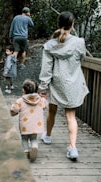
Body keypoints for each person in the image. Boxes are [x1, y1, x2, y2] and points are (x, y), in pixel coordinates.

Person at [38, 11, 89, 161]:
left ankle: (47, 136)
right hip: (72, 82)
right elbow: (82, 58)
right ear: (72, 25)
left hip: (56, 82)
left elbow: (46, 68)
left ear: (58, 24)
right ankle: (72, 148)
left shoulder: (49, 45)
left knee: (52, 111)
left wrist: (43, 88)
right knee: (70, 116)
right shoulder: (79, 42)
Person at [10, 79, 48, 162]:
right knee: (33, 139)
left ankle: (26, 152)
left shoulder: (20, 101)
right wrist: (44, 98)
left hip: (25, 125)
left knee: (24, 139)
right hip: (36, 125)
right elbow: (44, 105)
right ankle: (34, 147)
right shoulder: (40, 100)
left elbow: (14, 110)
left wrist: (11, 110)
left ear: (24, 90)